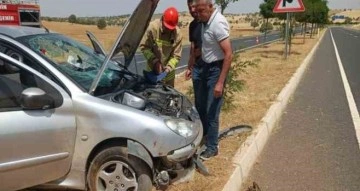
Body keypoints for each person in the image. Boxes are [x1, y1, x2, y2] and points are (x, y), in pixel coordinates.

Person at [195, 0, 233, 160]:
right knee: (201, 106)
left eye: (201, 11)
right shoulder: (206, 21)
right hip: (205, 68)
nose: (198, 14)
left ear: (210, 7)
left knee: (212, 110)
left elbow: (228, 54)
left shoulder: (217, 23)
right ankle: (205, 138)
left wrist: (220, 82)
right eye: (197, 11)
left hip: (215, 71)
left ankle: (212, 147)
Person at [140, 7, 183, 87]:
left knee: (168, 97)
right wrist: (155, 62)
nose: (168, 30)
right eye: (166, 27)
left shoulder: (178, 34)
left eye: (171, 29)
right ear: (162, 19)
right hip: (152, 72)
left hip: (169, 75)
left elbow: (176, 56)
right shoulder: (152, 28)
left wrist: (167, 70)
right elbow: (144, 48)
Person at [185, 0, 207, 143]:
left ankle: (210, 136)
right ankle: (202, 134)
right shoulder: (192, 25)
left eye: (194, 6)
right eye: (189, 7)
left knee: (209, 102)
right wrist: (189, 66)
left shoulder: (207, 21)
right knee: (199, 103)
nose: (192, 10)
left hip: (210, 67)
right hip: (197, 67)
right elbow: (193, 47)